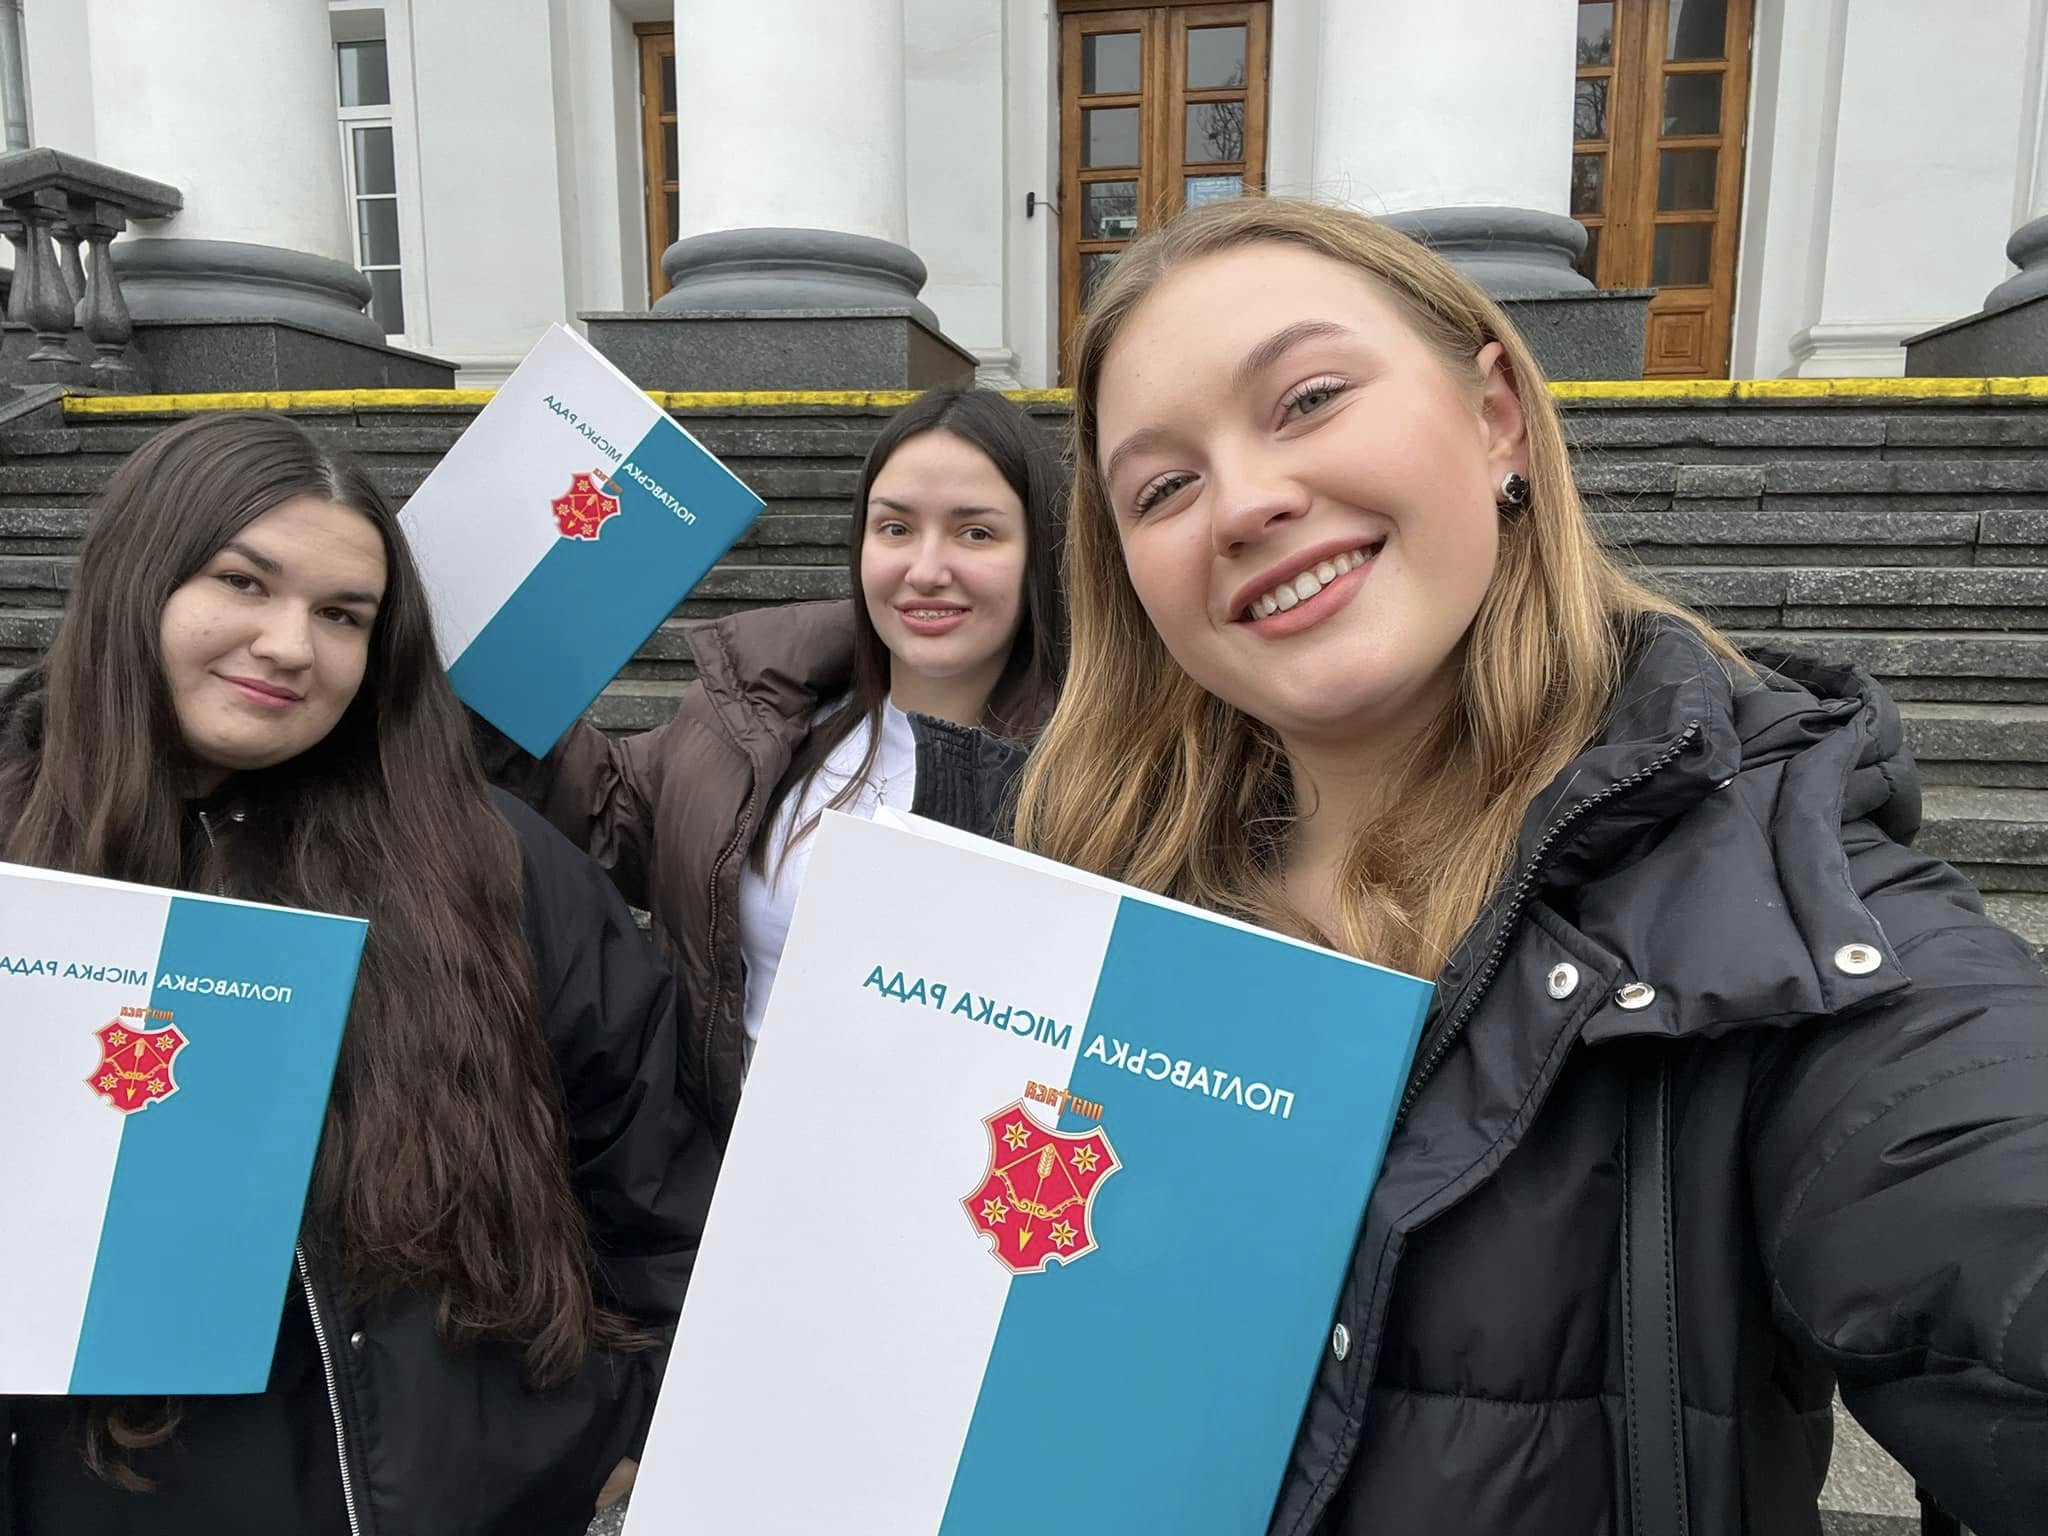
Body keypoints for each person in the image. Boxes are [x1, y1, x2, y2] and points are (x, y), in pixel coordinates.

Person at [989, 198, 2046, 1534]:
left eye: (1308, 399)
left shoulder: (1781, 912)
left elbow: (1970, 1166)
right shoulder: (1081, 913)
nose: (1245, 504)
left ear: (1495, 415)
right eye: (1162, 488)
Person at [0, 413, 718, 1536]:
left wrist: (623, 1421)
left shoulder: (493, 868)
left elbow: (653, 1176)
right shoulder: (17, 845)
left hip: (443, 1497)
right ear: (138, 581)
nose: (291, 645)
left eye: (343, 615)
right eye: (244, 583)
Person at [493, 386, 1066, 1141]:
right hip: (717, 1177)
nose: (926, 569)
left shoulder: (1096, 783)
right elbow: (602, 809)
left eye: (976, 533)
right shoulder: (760, 720)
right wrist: (491, 660)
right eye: (895, 527)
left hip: (956, 1190)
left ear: (1039, 555)